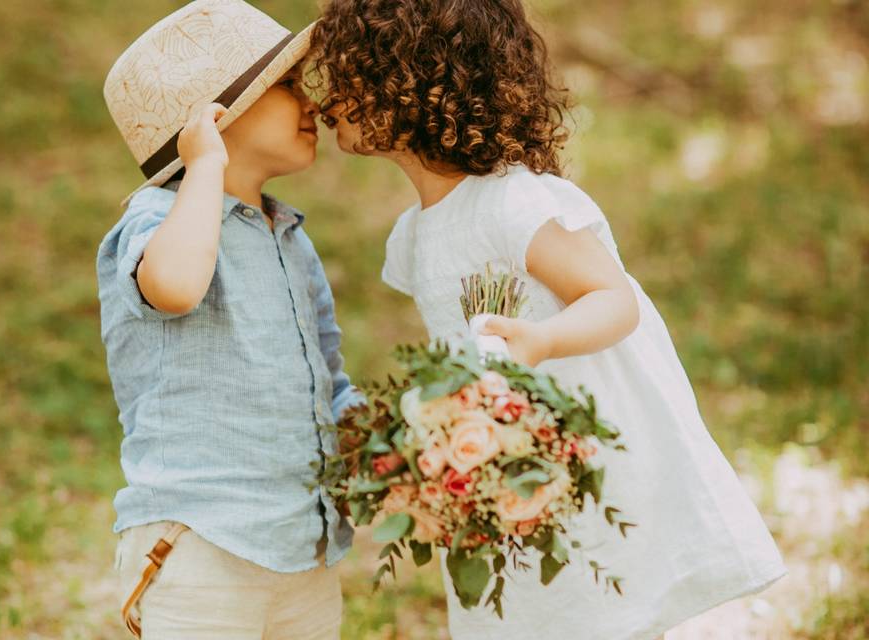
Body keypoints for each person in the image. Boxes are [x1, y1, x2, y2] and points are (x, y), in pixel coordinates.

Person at [309, 0, 787, 637]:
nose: (328, 95)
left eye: (352, 72)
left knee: (597, 610)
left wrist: (544, 339)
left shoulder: (511, 201)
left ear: (417, 81)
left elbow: (614, 299)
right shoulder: (418, 234)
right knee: (528, 608)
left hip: (581, 455)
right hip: (507, 465)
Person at [97, 2, 359, 637]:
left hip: (303, 543)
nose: (313, 103)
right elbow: (178, 288)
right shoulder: (155, 220)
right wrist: (207, 167)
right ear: (214, 118)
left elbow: (329, 378)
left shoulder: (290, 237)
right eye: (289, 86)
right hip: (199, 541)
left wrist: (396, 449)